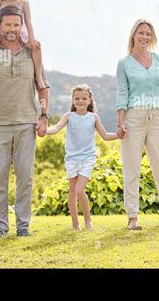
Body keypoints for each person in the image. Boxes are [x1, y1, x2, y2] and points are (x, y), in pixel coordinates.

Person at [0, 5, 50, 238]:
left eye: (16, 24)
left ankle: (23, 226)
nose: (12, 29)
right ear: (0, 26)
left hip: (27, 123)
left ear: (22, 26)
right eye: (8, 25)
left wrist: (44, 116)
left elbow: (42, 86)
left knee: (25, 177)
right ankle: (1, 228)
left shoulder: (31, 52)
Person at [116, 19, 159, 230]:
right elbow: (122, 94)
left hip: (157, 119)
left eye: (148, 34)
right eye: (141, 33)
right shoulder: (124, 63)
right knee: (131, 169)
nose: (145, 37)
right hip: (133, 119)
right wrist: (120, 122)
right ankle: (132, 218)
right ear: (134, 35)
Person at [46, 84, 119, 231]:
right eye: (77, 98)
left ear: (90, 100)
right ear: (72, 100)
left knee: (80, 190)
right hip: (71, 159)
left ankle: (88, 221)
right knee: (72, 191)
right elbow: (55, 128)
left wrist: (119, 135)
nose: (80, 101)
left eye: (84, 98)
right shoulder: (68, 116)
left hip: (88, 158)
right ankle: (75, 224)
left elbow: (105, 135)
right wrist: (44, 130)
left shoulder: (93, 117)